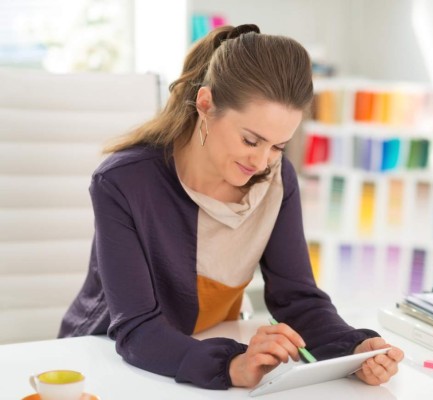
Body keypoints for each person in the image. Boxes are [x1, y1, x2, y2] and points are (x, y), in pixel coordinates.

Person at [59, 24, 404, 390]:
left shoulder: (276, 180)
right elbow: (137, 327)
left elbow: (297, 298)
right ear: (206, 105)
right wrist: (232, 365)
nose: (261, 161)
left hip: (198, 347)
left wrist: (352, 347)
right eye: (250, 139)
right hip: (104, 357)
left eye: (278, 146)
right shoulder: (123, 182)